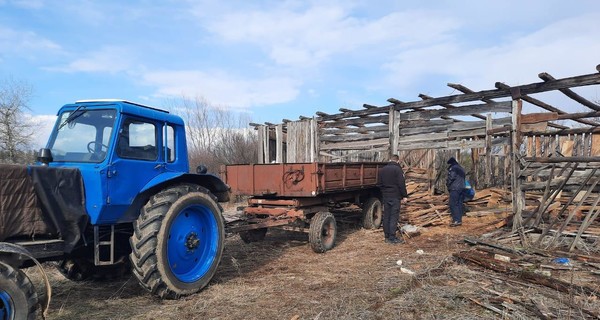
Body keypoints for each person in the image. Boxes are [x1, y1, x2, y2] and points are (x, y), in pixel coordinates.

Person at [377, 155, 408, 244]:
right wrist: (404, 196)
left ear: (390, 159)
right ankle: (392, 237)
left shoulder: (383, 169)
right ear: (397, 161)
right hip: (395, 196)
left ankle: (386, 237)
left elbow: (380, 184)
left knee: (386, 216)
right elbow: (401, 184)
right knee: (394, 217)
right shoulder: (398, 170)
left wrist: (384, 192)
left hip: (386, 196)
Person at [446, 157, 466, 227]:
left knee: (453, 204)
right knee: (459, 204)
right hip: (462, 188)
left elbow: (451, 177)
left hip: (455, 188)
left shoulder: (453, 168)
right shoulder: (461, 168)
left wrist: (448, 184)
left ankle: (456, 220)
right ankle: (459, 220)